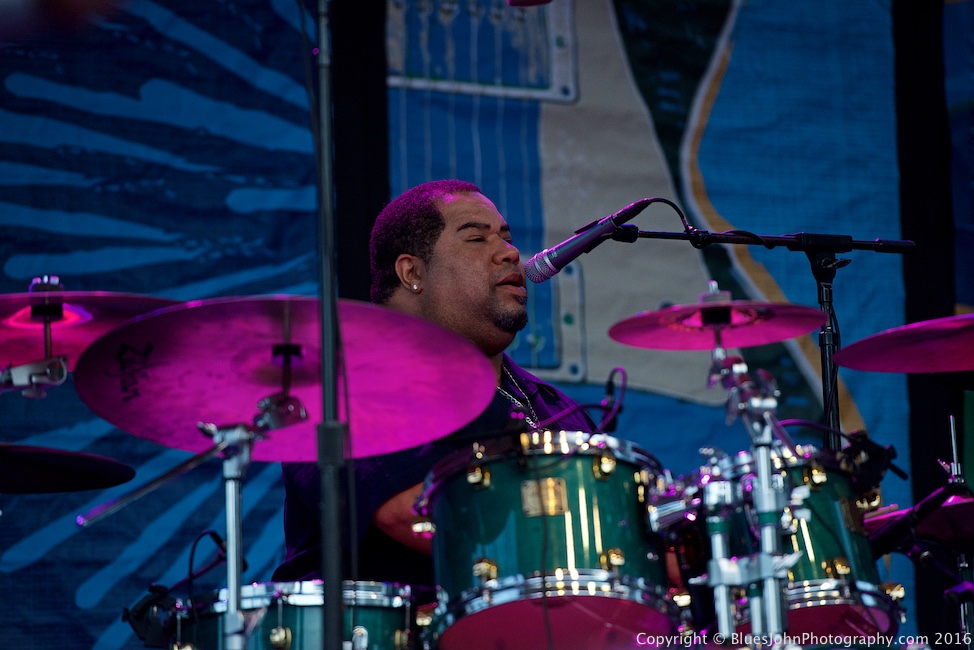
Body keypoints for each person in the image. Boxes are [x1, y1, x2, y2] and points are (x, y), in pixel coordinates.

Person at [272, 179, 598, 591]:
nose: (511, 253)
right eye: (477, 238)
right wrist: (594, 562)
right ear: (412, 272)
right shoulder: (340, 390)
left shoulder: (560, 412)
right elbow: (413, 514)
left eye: (507, 238)